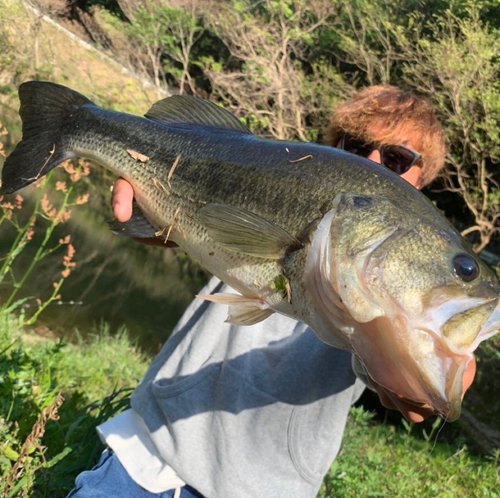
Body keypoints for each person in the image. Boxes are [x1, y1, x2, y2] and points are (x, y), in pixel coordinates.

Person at [67, 86, 476, 498]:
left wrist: (429, 382)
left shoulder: (392, 310)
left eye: (396, 159)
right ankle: (75, 124)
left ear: (419, 185)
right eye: (356, 145)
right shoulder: (281, 186)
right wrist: (163, 218)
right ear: (332, 148)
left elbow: (413, 355)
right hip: (148, 458)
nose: (372, 162)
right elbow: (193, 223)